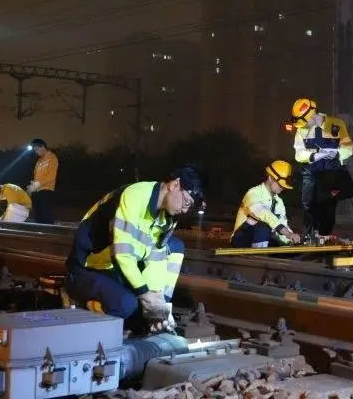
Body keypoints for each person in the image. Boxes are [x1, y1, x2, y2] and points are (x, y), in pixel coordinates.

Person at [64, 166, 204, 332]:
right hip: (87, 268)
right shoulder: (135, 196)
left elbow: (156, 259)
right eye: (187, 202)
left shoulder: (167, 218)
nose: (185, 210)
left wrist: (158, 302)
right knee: (127, 305)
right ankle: (83, 305)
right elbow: (122, 254)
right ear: (175, 185)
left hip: (114, 270)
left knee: (175, 246)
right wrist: (144, 294)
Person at [291, 97, 353, 236]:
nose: (303, 125)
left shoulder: (336, 124)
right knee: (309, 207)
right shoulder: (301, 130)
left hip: (330, 173)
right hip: (311, 173)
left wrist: (336, 154)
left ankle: (324, 238)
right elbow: (298, 154)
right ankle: (310, 239)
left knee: (328, 209)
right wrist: (314, 156)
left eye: (304, 121)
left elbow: (348, 148)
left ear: (312, 116)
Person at [231, 160, 302, 248]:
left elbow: (282, 224)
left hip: (262, 237)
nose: (282, 187)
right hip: (240, 239)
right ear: (270, 178)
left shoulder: (279, 202)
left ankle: (263, 252)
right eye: (280, 184)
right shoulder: (253, 193)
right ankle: (259, 255)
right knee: (264, 225)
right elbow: (264, 214)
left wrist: (292, 239)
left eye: (284, 186)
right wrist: (287, 233)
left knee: (278, 241)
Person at [26, 138, 58, 224]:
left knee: (45, 214)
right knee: (37, 215)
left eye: (37, 149)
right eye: (35, 150)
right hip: (36, 191)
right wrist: (32, 187)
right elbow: (36, 176)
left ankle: (49, 230)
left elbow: (51, 176)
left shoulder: (52, 157)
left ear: (43, 147)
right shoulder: (39, 161)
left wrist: (37, 184)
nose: (36, 152)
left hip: (46, 191)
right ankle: (39, 230)